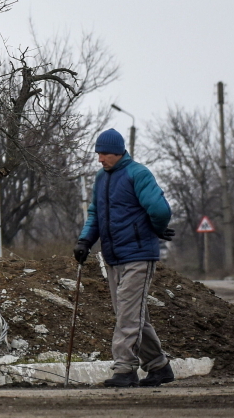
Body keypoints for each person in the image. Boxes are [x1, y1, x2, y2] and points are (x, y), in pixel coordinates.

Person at [75, 129, 177, 387]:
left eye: (105, 153)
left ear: (119, 152)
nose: (100, 158)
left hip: (139, 256)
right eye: (98, 153)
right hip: (113, 257)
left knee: (128, 316)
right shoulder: (101, 178)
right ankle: (159, 367)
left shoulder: (137, 174)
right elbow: (95, 213)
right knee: (129, 314)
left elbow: (161, 209)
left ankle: (125, 369)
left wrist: (155, 228)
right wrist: (85, 241)